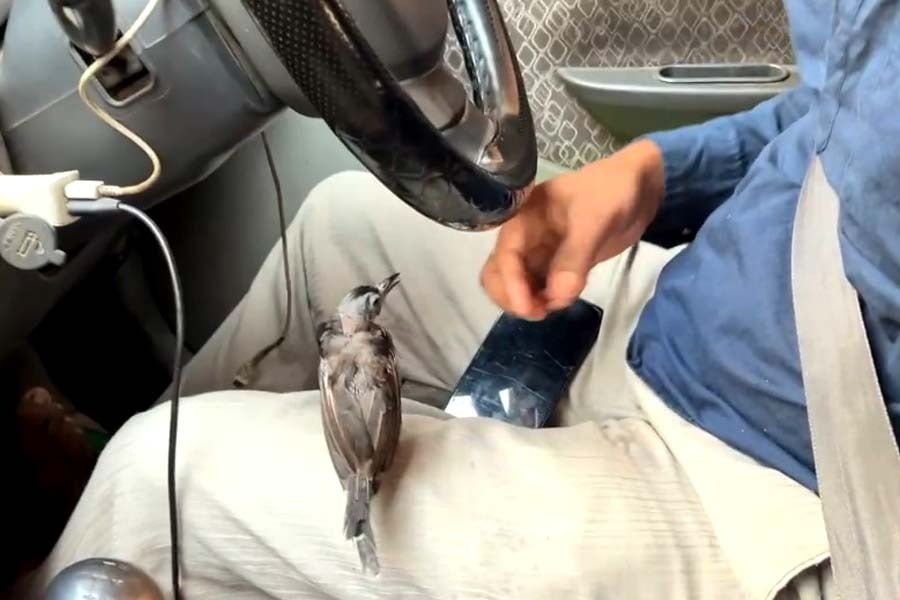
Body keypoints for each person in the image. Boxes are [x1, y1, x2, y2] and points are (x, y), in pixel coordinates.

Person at [18, 0, 899, 597]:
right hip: (719, 311)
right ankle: (110, 501)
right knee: (340, 230)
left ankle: (99, 532)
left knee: (166, 475)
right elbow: (837, 109)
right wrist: (651, 175)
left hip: (779, 482)